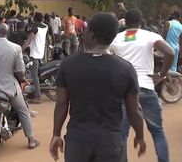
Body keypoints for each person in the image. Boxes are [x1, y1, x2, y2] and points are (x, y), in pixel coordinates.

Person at [50, 12, 146, 162]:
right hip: (110, 142)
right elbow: (134, 111)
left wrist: (56, 134)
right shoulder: (125, 69)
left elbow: (62, 103)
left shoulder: (68, 65)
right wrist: (140, 136)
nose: (84, 34)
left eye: (87, 31)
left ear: (92, 35)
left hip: (77, 142)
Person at [110, 9, 173, 162]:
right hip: (146, 88)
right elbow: (170, 53)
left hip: (124, 91)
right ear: (141, 21)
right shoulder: (151, 36)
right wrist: (162, 75)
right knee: (157, 131)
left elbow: (107, 59)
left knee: (121, 134)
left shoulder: (116, 39)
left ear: (125, 21)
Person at [22, 12, 48, 104]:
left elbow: (28, 41)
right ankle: (33, 92)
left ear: (35, 19)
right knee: (36, 74)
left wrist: (20, 50)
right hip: (42, 53)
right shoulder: (45, 26)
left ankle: (38, 97)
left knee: (34, 76)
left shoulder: (35, 28)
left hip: (35, 55)